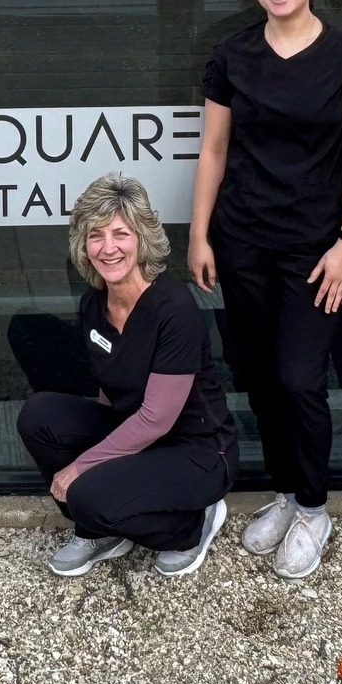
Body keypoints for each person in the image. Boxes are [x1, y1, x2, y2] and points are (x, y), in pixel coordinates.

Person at [189, 0, 342, 580]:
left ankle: (313, 508)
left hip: (316, 247)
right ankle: (284, 489)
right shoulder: (232, 53)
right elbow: (214, 149)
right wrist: (199, 233)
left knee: (301, 377)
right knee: (259, 374)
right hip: (243, 239)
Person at [18, 174, 237, 578]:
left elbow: (157, 418)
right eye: (95, 235)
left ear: (142, 239)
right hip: (137, 433)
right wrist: (110, 459)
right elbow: (111, 385)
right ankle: (102, 528)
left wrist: (84, 466)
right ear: (83, 245)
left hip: (196, 450)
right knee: (39, 415)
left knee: (86, 494)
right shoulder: (94, 303)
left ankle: (190, 526)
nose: (108, 247)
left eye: (120, 233)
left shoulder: (173, 309)